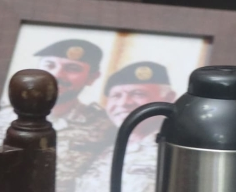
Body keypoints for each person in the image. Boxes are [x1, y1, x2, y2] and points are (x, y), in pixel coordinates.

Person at [0, 38, 114, 192]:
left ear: (92, 77)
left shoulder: (105, 126)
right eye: (49, 65)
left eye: (72, 68)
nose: (57, 75)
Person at [76, 61, 178, 192]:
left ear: (169, 98)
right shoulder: (104, 148)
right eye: (116, 95)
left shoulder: (175, 150)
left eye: (138, 94)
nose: (124, 103)